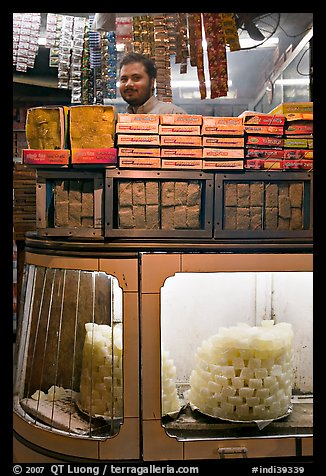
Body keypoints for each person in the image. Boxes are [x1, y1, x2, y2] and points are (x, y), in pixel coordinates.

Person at [118, 52, 186, 114]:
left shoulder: (173, 114)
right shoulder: (119, 121)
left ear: (152, 83)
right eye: (124, 79)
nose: (128, 84)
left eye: (136, 78)